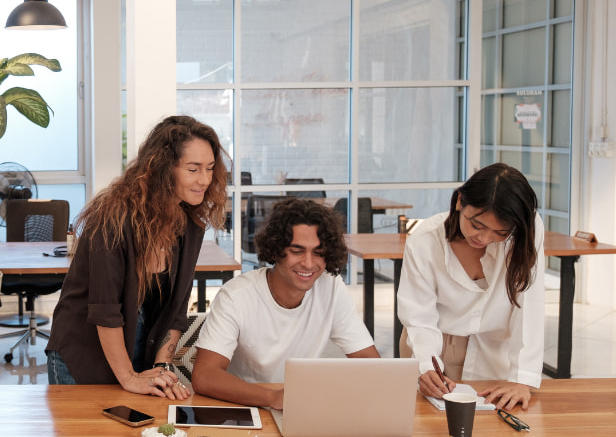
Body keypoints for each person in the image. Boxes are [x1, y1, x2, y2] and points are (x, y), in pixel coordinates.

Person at [45, 115, 229, 400]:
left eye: (209, 168)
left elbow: (176, 312)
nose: (204, 180)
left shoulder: (189, 226)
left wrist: (162, 367)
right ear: (164, 168)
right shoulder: (114, 218)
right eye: (193, 169)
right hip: (83, 359)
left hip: (138, 358)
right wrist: (128, 377)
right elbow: (105, 311)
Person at [192, 198, 379, 410]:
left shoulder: (331, 287)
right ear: (275, 250)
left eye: (318, 252)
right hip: (245, 408)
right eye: (297, 251)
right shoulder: (236, 296)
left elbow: (368, 361)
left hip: (300, 406)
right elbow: (205, 376)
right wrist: (273, 398)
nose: (309, 263)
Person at [397, 163, 545, 410]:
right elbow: (419, 319)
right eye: (477, 225)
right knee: (431, 435)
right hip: (436, 347)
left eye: (499, 232)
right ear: (459, 201)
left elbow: (529, 305)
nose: (484, 238)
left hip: (494, 350)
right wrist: (425, 366)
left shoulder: (524, 230)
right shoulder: (424, 242)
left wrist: (522, 379)